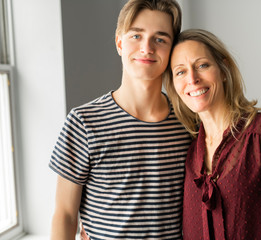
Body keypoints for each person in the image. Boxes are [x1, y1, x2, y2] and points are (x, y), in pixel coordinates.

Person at [49, 1, 191, 239]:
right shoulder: (83, 122)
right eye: (136, 35)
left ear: (171, 49)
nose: (147, 48)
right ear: (119, 43)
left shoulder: (188, 121)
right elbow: (64, 214)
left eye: (160, 39)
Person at [165, 29, 261, 240]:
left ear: (223, 68)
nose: (192, 78)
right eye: (180, 71)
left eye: (202, 65)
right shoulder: (190, 154)